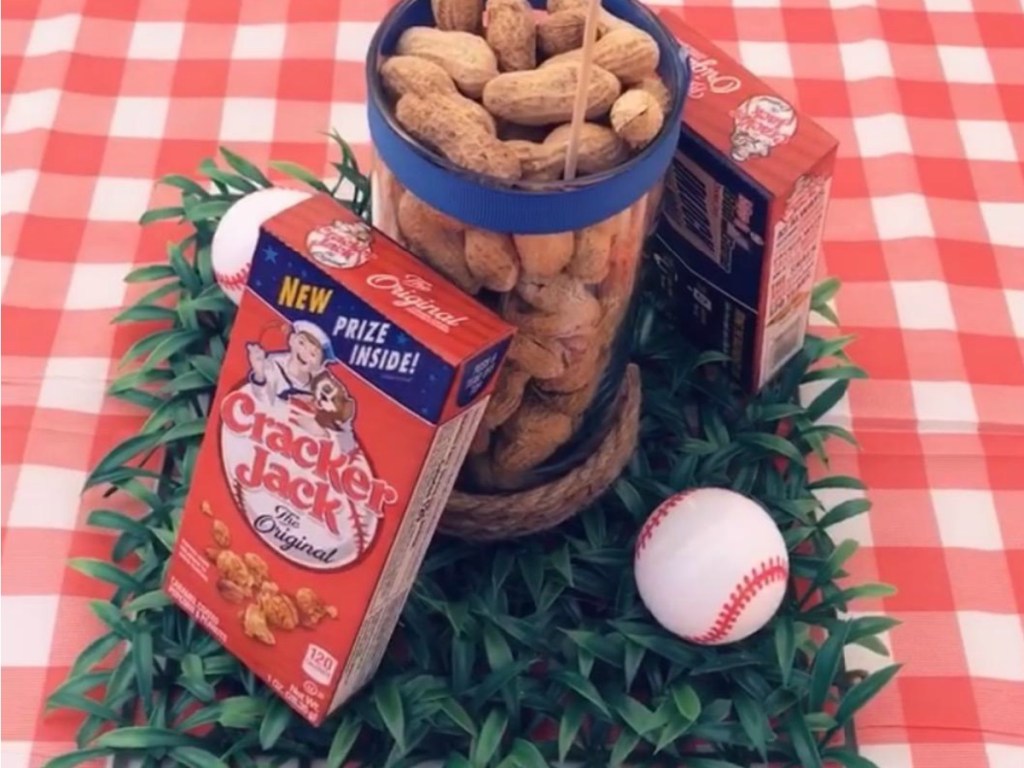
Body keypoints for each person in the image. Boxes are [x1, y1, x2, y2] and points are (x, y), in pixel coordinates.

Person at [246, 320, 336, 404]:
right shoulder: (273, 366)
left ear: (320, 364)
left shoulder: (321, 386)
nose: (305, 354)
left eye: (313, 354)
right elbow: (263, 400)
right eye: (301, 343)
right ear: (292, 340)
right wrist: (259, 374)